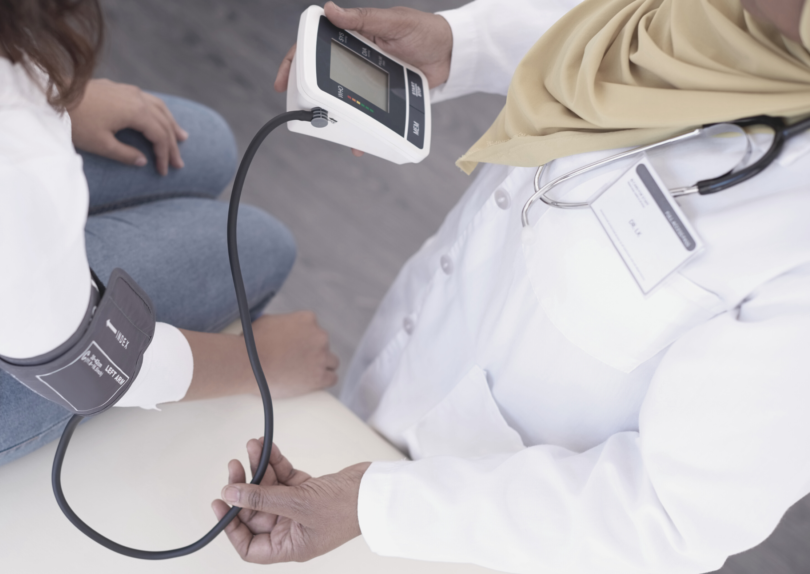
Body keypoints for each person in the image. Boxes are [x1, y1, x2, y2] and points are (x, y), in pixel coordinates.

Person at [211, 1, 810, 572]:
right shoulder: (714, 27)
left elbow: (672, 514)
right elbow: (602, 35)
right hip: (419, 360)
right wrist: (463, 45)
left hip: (515, 526)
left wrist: (377, 506)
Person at [0, 0, 338, 484]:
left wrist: (57, 101)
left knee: (206, 144)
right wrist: (259, 361)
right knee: (258, 244)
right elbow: (85, 366)